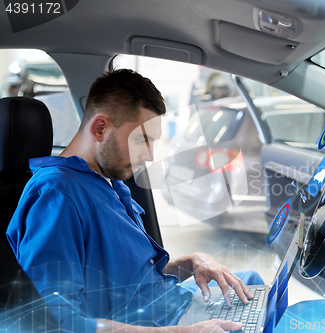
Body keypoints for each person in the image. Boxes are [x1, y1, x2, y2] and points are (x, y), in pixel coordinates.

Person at [6, 69, 263, 333]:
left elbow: (129, 280)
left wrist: (187, 262)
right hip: (163, 325)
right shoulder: (56, 194)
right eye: (143, 140)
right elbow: (56, 322)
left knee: (252, 284)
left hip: (168, 305)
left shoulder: (109, 183)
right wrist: (181, 331)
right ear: (100, 128)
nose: (150, 155)